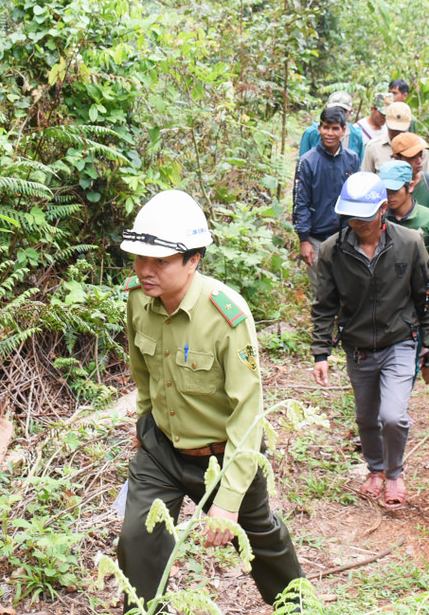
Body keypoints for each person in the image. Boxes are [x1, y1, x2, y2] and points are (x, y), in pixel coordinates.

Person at [116, 190, 303, 613]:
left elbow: (248, 415)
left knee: (260, 537)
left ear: (193, 260)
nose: (145, 271)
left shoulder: (226, 317)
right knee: (137, 540)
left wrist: (228, 501)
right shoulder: (137, 297)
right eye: (139, 259)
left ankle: (298, 608)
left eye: (159, 261)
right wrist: (145, 424)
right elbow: (141, 368)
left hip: (225, 453)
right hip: (162, 448)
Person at [311, 172, 429, 510]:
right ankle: (375, 469)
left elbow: (426, 294)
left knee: (392, 416)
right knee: (367, 417)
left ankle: (394, 473)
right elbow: (324, 305)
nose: (357, 224)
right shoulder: (332, 250)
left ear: (383, 209)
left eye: (364, 217)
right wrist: (320, 352)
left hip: (400, 340)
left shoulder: (410, 242)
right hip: (357, 347)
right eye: (351, 217)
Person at [379, 160, 429, 327]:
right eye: (385, 191)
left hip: (422, 299)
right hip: (385, 301)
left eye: (394, 190)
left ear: (410, 187)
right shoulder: (377, 219)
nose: (389, 196)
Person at [293, 106, 360, 293]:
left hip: (346, 235)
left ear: (343, 130)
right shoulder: (307, 162)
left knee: (347, 288)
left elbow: (357, 196)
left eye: (335, 128)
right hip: (316, 238)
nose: (329, 133)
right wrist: (304, 240)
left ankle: (344, 323)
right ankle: (323, 323)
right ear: (319, 129)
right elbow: (300, 203)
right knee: (321, 291)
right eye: (325, 127)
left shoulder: (352, 159)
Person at [391, 133, 429, 233]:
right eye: (412, 157)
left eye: (420, 155)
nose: (419, 161)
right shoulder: (387, 187)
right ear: (397, 158)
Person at [360, 102, 429, 174]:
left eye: (401, 130)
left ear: (410, 122)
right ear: (385, 120)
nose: (397, 134)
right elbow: (366, 178)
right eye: (393, 130)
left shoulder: (420, 146)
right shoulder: (373, 147)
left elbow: (426, 178)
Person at [298, 90, 364, 164]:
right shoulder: (311, 133)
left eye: (343, 111)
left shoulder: (356, 136)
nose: (338, 114)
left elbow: (359, 166)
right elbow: (302, 163)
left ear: (350, 112)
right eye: (334, 109)